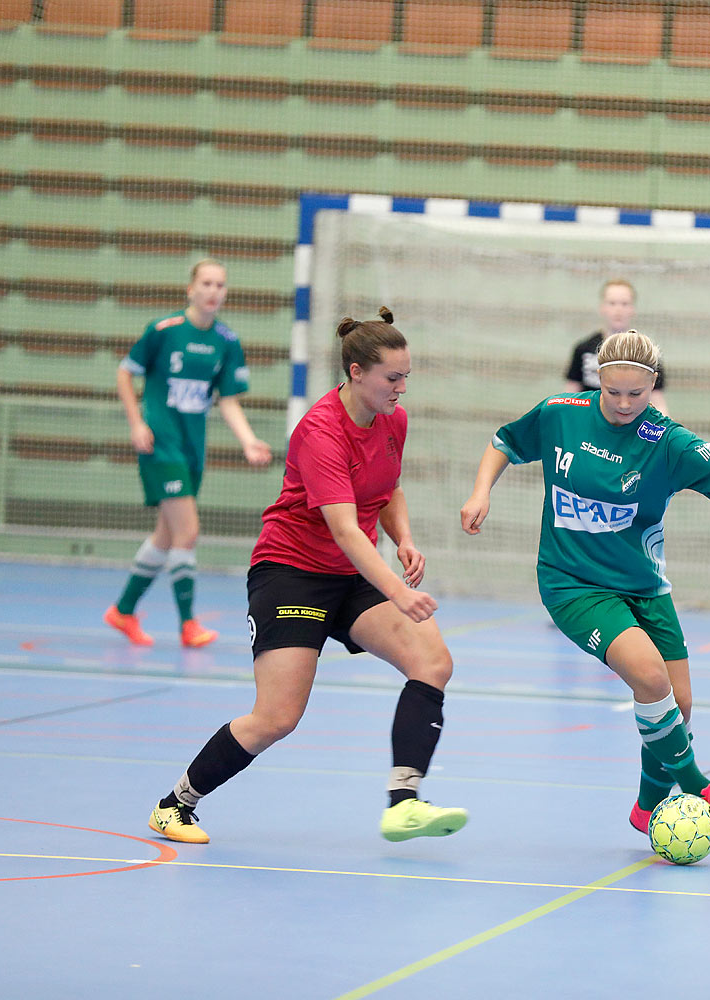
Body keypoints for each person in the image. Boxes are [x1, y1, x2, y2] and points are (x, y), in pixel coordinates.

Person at [147, 308, 468, 845]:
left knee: (433, 661)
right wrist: (397, 588)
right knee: (276, 717)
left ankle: (404, 802)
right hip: (292, 574)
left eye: (407, 377)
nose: (401, 388)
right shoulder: (320, 431)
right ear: (356, 372)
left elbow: (387, 489)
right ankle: (176, 804)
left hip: (351, 573)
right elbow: (344, 529)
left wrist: (405, 538)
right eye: (393, 377)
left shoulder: (393, 419)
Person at [462, 330, 710, 836]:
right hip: (572, 583)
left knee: (679, 703)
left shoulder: (665, 439)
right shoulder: (560, 412)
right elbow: (503, 442)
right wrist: (480, 493)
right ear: (597, 381)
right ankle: (697, 785)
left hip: (644, 584)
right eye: (613, 391)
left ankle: (647, 807)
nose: (624, 404)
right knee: (649, 677)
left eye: (636, 394)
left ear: (652, 387)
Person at [104, 258, 272, 648]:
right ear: (191, 289)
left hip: (194, 447)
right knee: (188, 531)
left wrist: (248, 440)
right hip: (162, 444)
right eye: (207, 283)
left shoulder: (226, 342)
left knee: (166, 535)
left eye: (221, 285)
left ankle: (123, 611)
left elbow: (227, 400)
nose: (214, 291)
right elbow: (125, 372)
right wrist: (136, 423)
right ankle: (188, 624)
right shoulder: (164, 332)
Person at [564, 279, 667, 413]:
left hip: (628, 419)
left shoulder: (646, 353)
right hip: (590, 418)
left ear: (632, 309)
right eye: (612, 303)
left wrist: (665, 429)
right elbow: (570, 394)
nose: (618, 310)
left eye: (624, 304)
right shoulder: (584, 349)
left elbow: (657, 400)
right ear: (602, 308)